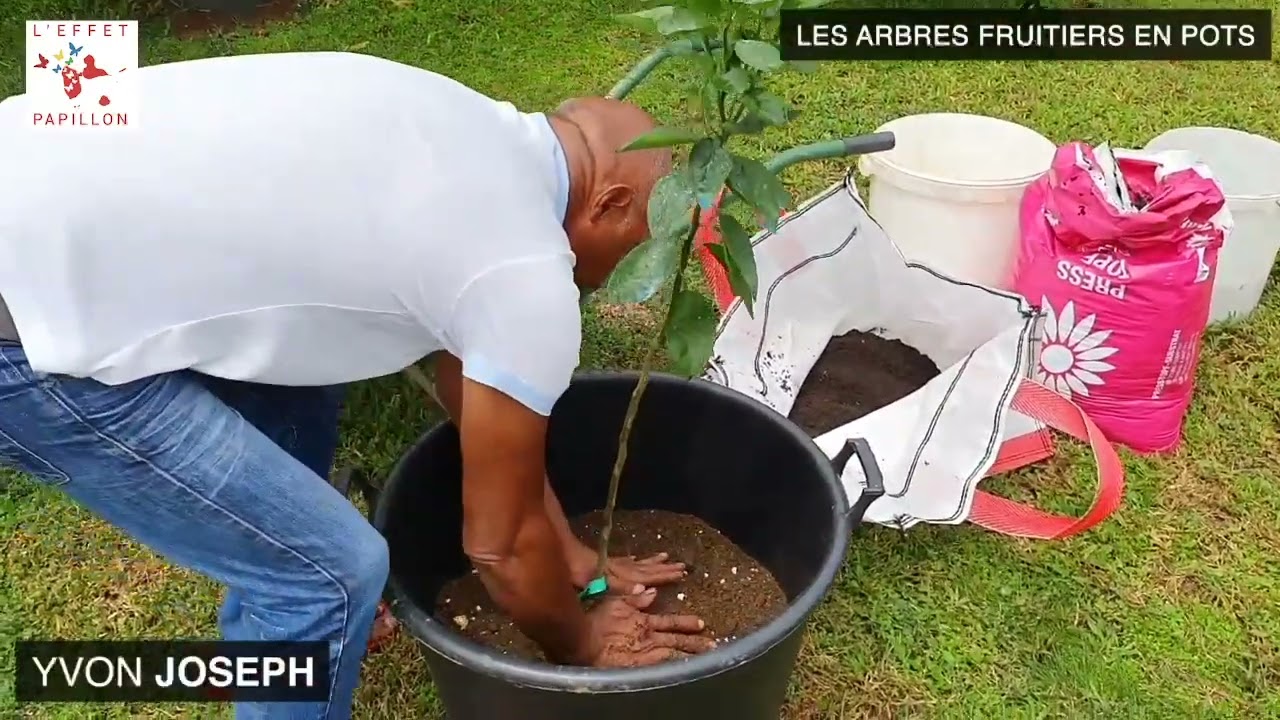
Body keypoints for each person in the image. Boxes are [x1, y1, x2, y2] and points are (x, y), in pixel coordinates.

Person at [0, 51, 715, 720]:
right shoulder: (521, 273)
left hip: (39, 174)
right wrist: (583, 645)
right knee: (329, 575)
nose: (637, 277)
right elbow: (499, 548)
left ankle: (275, 631)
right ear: (612, 202)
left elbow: (482, 397)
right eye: (645, 243)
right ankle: (296, 612)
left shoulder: (464, 125)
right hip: (23, 322)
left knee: (305, 402)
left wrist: (572, 559)